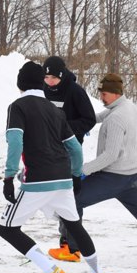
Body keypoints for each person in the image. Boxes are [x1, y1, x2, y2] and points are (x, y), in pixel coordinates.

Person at [51, 73, 137, 265]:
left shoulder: (116, 118)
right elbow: (99, 117)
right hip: (132, 176)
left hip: (113, 177)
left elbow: (111, 156)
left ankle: (72, 250)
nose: (101, 97)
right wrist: (81, 120)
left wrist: (82, 170)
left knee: (73, 200)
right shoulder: (127, 107)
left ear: (115, 93)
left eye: (104, 94)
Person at [0, 61, 109, 273]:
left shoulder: (17, 107)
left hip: (37, 180)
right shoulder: (55, 111)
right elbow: (75, 149)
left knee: (7, 229)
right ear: (41, 84)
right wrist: (76, 175)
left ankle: (50, 269)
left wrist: (9, 177)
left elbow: (16, 142)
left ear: (20, 84)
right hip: (63, 180)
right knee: (74, 226)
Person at [42, 55, 97, 262]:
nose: (49, 82)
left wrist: (66, 130)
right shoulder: (43, 89)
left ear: (62, 75)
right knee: (58, 196)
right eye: (46, 78)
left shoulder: (75, 92)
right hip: (49, 150)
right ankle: (65, 243)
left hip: (69, 151)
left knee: (69, 196)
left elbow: (89, 119)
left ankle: (72, 247)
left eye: (53, 79)